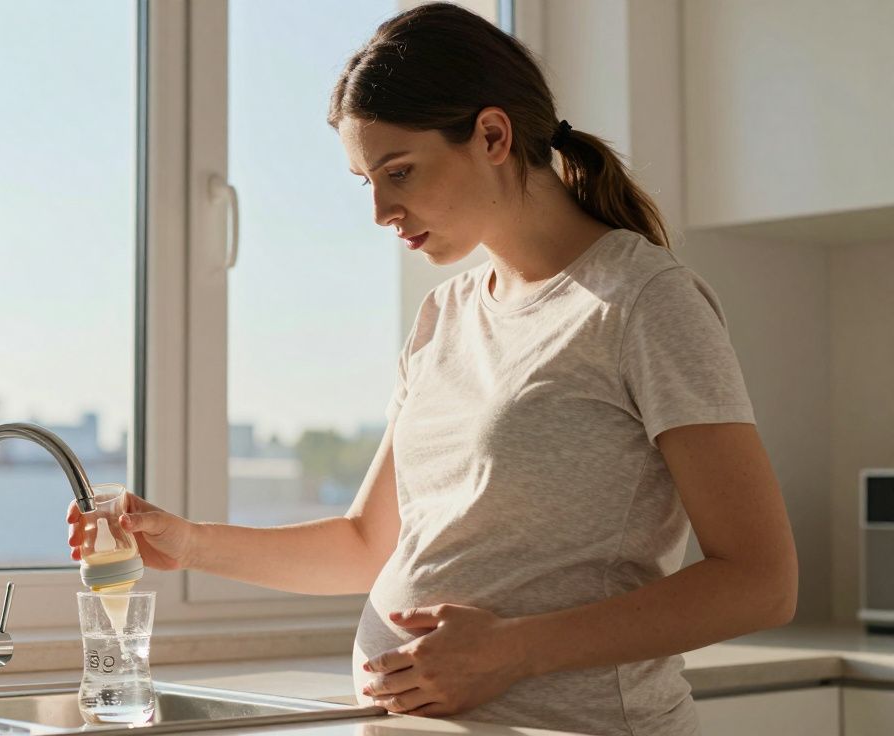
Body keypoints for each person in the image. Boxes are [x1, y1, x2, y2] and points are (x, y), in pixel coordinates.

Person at [67, 4, 797, 735]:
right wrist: (186, 542)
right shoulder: (443, 317)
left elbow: (761, 582)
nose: (382, 209)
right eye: (367, 182)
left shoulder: (643, 302)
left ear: (491, 135)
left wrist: (513, 652)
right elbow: (368, 545)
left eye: (400, 171)